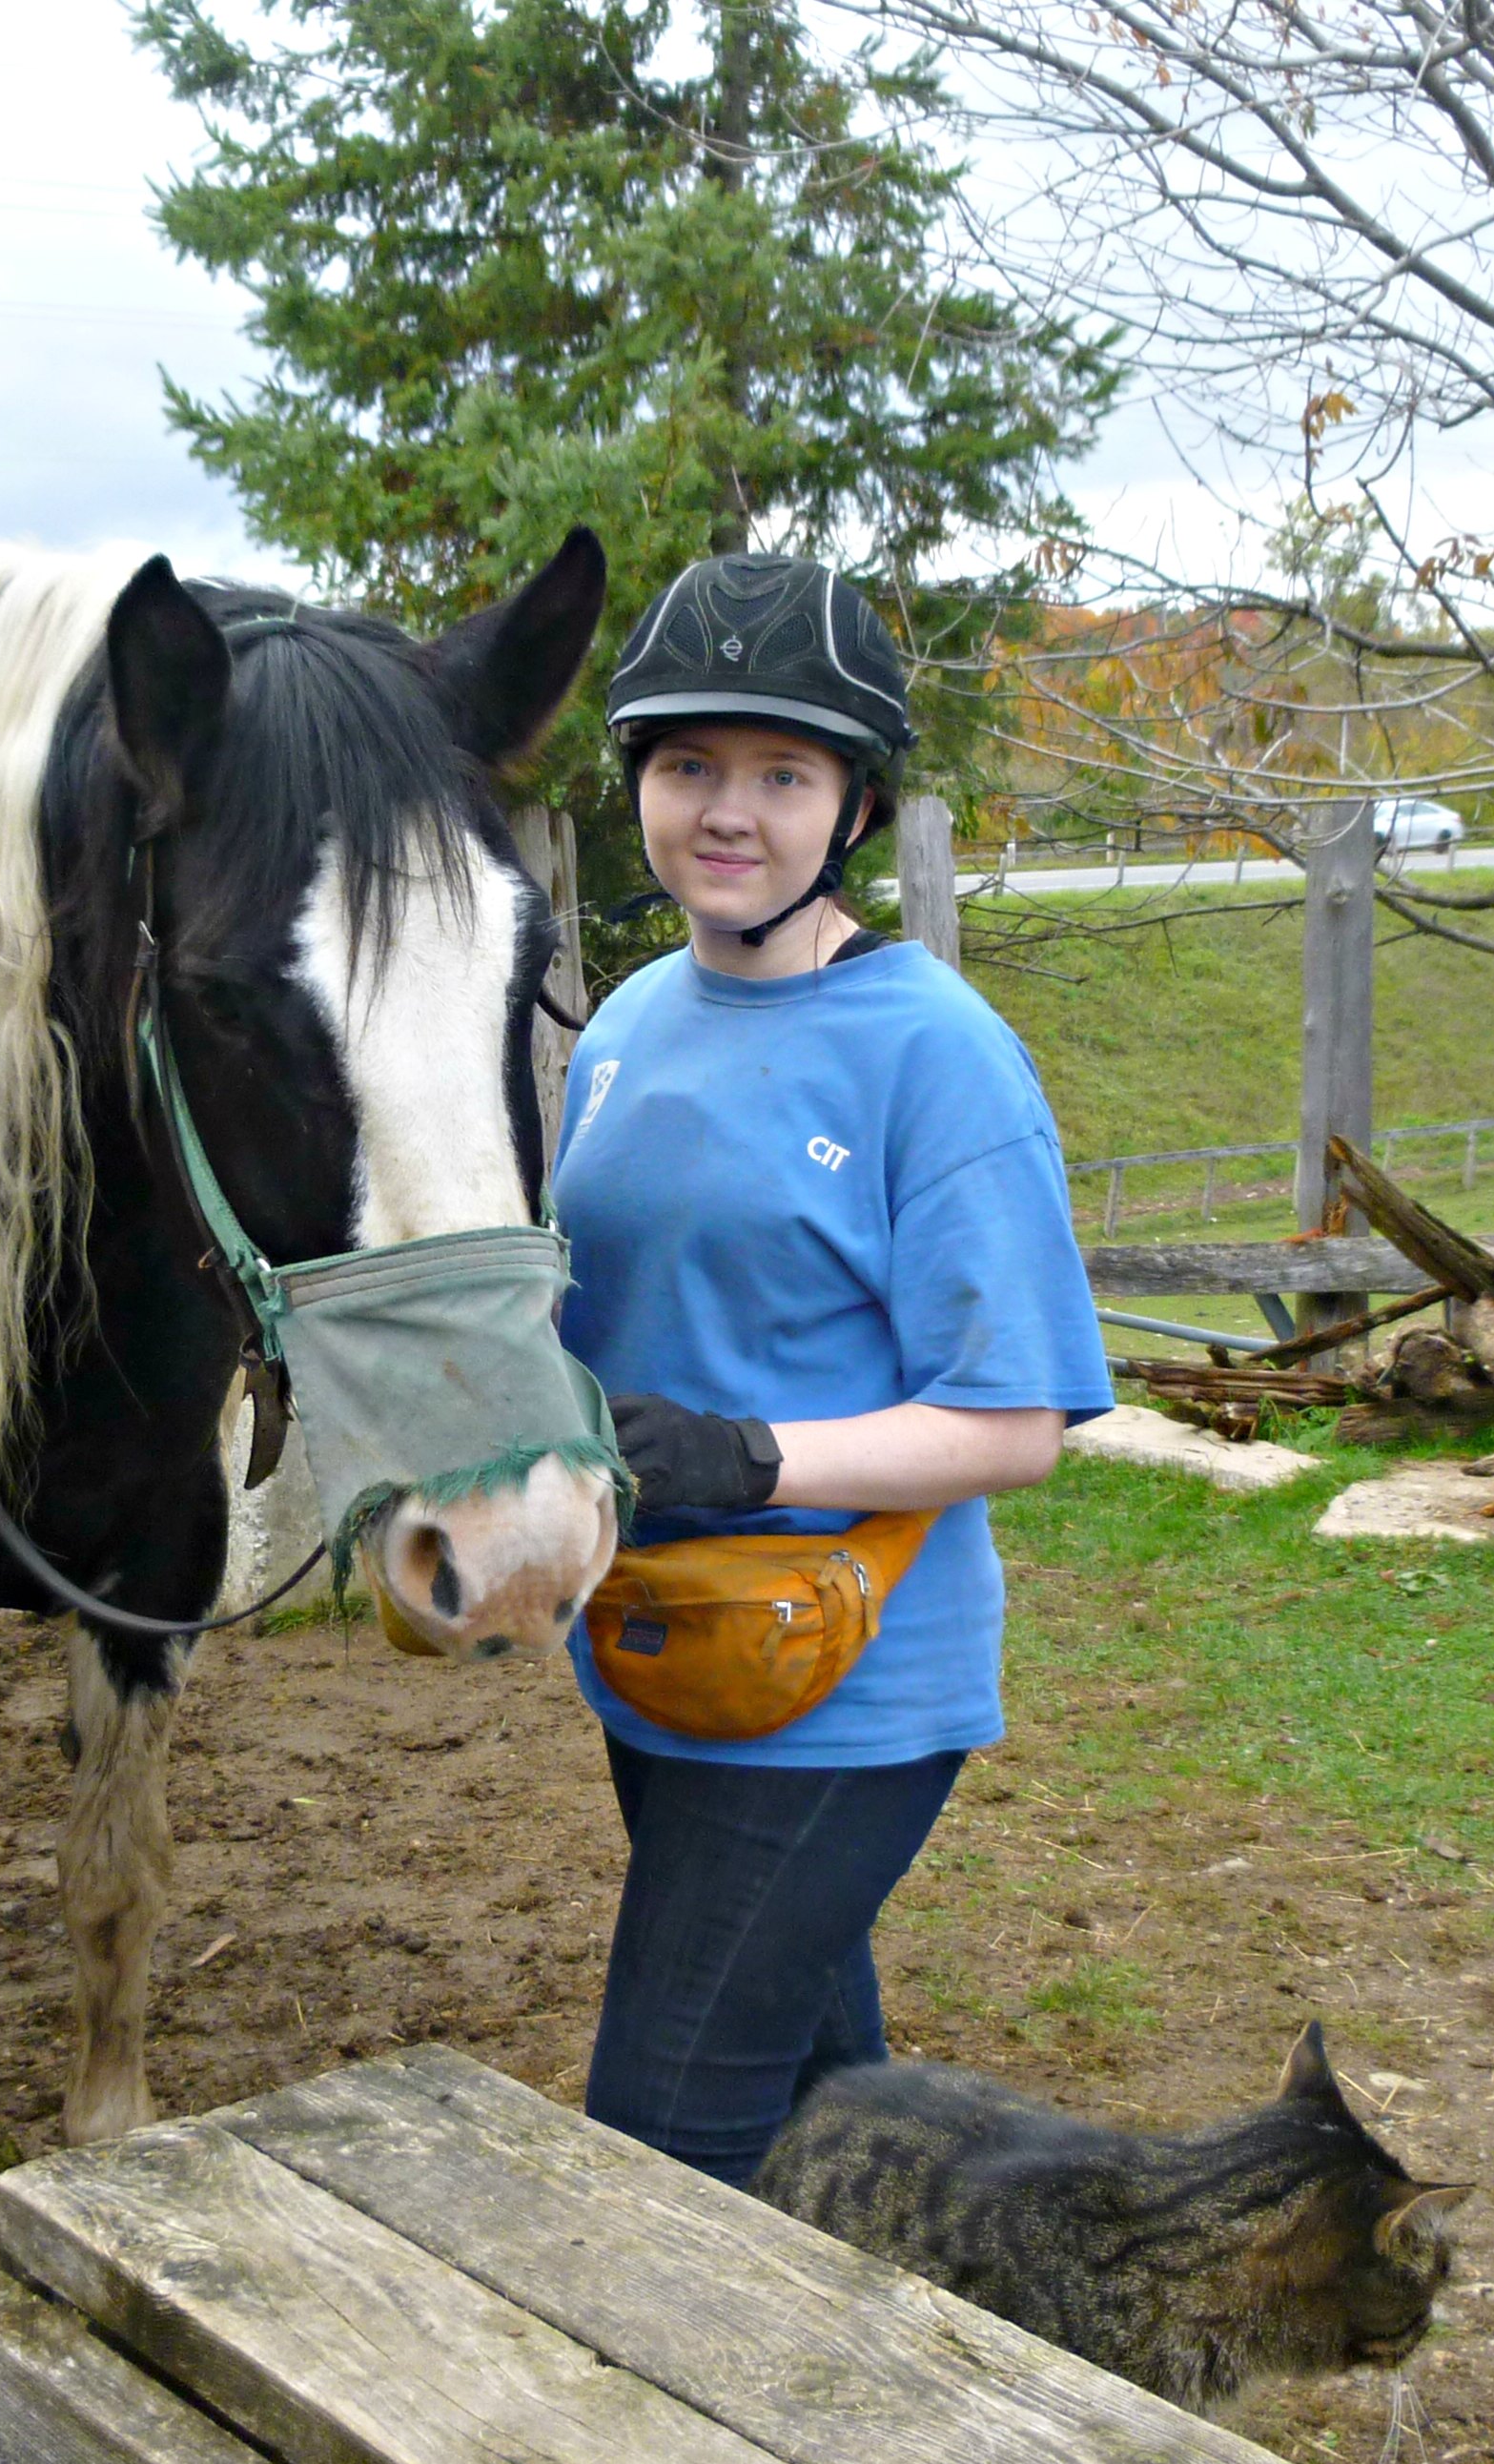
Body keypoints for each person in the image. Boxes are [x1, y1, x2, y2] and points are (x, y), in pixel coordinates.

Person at [552, 552, 1114, 2185]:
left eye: (780, 775)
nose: (727, 813)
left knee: (661, 2132)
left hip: (842, 1674)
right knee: (821, 2101)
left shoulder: (933, 1051)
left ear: (853, 806)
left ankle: (672, 2438)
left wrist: (745, 1456)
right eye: (686, 768)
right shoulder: (627, 1023)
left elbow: (1013, 1425)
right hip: (660, 1643)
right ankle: (882, 2386)